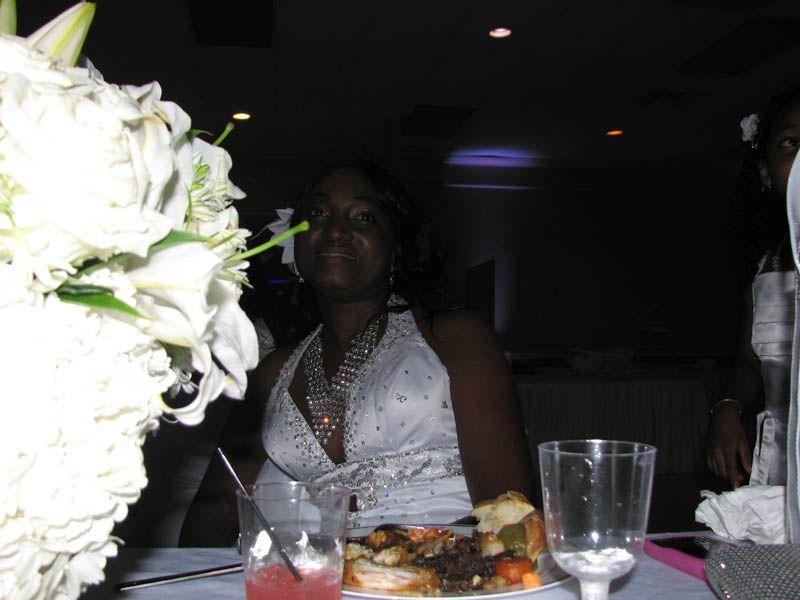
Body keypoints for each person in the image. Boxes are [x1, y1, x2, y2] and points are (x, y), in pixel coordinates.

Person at [181, 160, 535, 545]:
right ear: (295, 239)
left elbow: (508, 511)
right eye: (317, 213)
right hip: (326, 577)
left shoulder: (455, 338)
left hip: (455, 573)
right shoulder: (272, 372)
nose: (335, 230)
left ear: (394, 247)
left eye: (364, 217)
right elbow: (212, 511)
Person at [707, 85, 800, 489]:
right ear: (765, 170)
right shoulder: (766, 269)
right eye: (790, 143)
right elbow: (750, 363)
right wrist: (727, 409)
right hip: (783, 466)